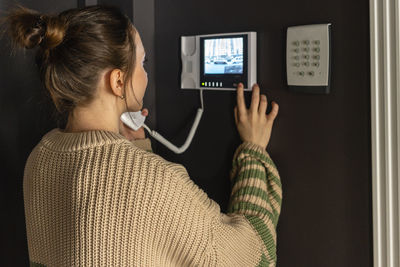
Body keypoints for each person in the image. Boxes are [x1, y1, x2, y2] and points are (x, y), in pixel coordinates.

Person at [2, 4, 282, 267]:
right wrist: (253, 152)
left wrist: (135, 149)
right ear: (118, 81)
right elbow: (253, 254)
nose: (146, 75)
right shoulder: (155, 181)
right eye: (143, 64)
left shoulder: (39, 159)